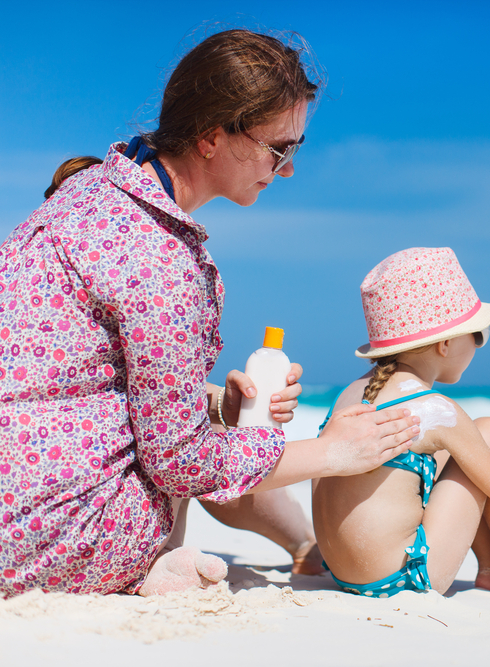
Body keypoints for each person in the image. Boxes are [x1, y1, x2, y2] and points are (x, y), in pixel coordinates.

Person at [0, 29, 420, 598]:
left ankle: (289, 545)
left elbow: (68, 382)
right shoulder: (158, 258)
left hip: (19, 495)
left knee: (213, 421)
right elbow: (178, 460)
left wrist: (214, 405)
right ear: (211, 137)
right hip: (42, 535)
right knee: (207, 445)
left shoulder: (93, 190)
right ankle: (146, 567)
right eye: (281, 148)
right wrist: (335, 452)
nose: (288, 168)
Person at [313, 247, 490, 599]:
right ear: (446, 343)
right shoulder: (436, 411)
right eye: (478, 335)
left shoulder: (350, 393)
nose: (479, 345)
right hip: (402, 581)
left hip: (344, 575)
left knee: (456, 457)